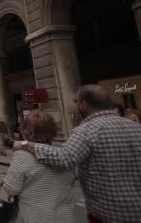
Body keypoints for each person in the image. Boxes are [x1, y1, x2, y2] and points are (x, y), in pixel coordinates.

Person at [15, 85, 141, 223]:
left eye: (77, 102)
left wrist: (24, 144)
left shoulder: (87, 130)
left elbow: (64, 158)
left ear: (84, 104)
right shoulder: (136, 127)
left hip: (110, 214)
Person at [2, 111, 75, 223]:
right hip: (64, 218)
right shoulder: (65, 154)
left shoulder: (22, 156)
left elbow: (11, 189)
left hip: (35, 217)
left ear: (25, 131)